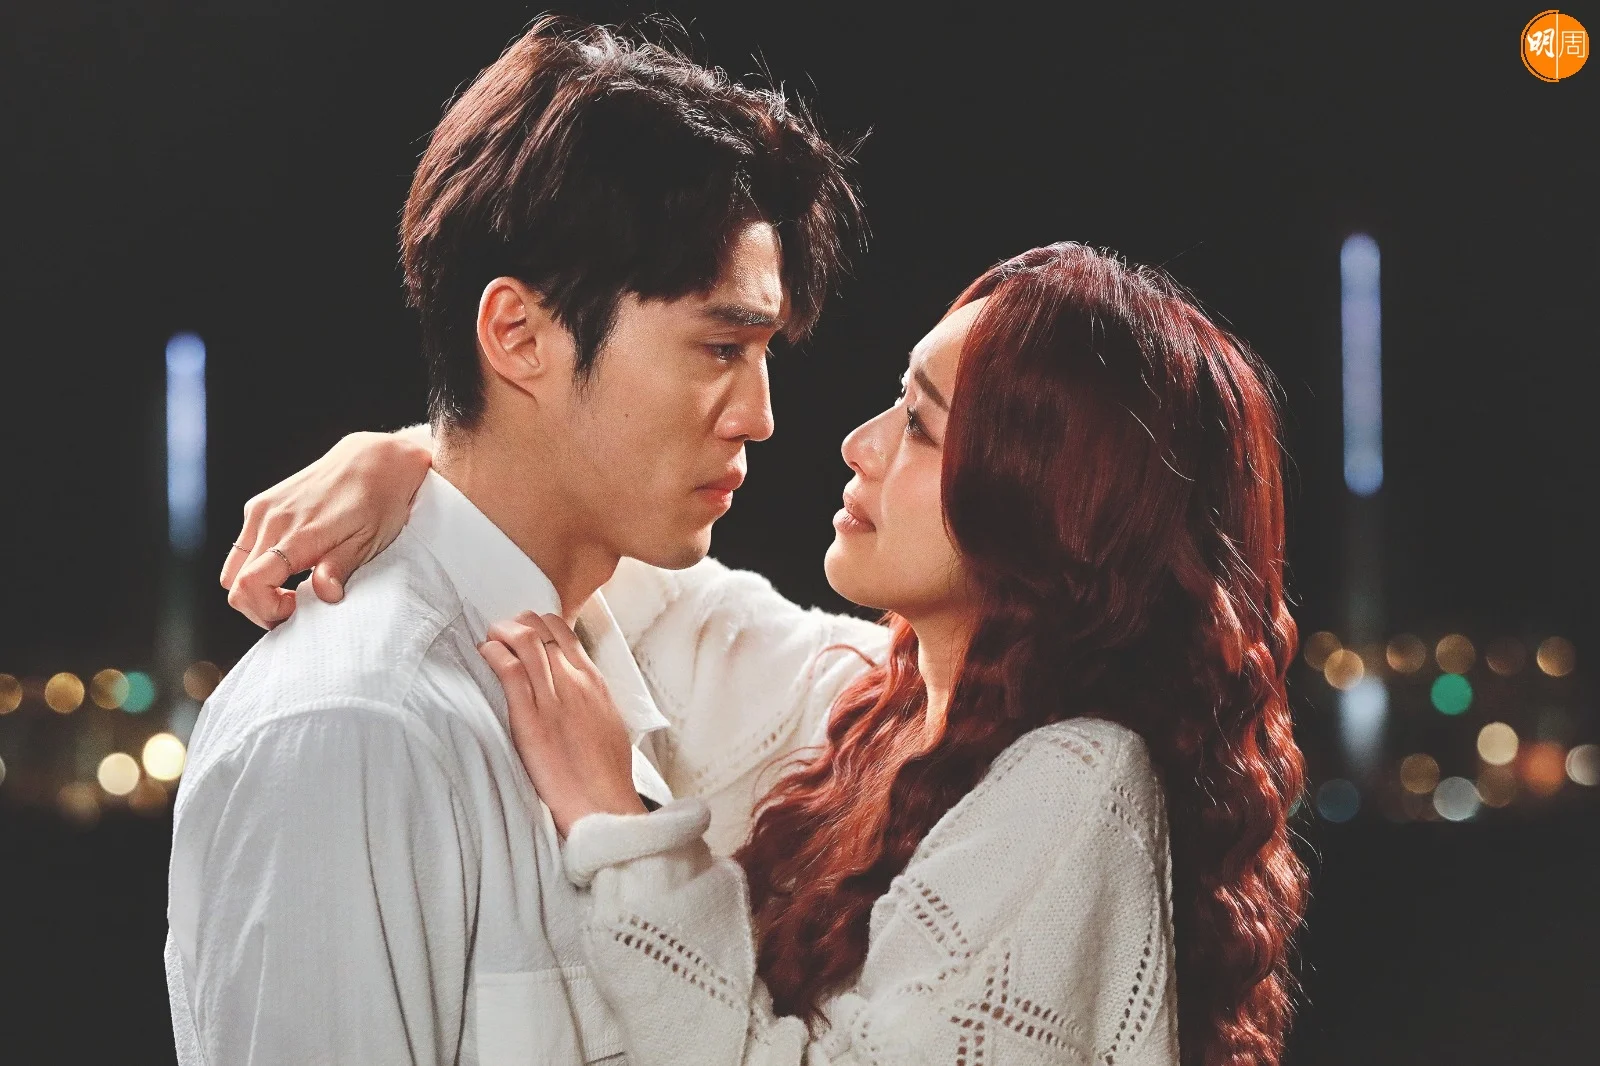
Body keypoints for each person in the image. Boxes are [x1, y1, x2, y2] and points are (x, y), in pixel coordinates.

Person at [228, 243, 1309, 1065]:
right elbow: (602, 553)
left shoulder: (1080, 780)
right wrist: (410, 460)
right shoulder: (869, 713)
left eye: (921, 426)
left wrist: (622, 834)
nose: (859, 443)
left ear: (1048, 506)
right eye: (897, 401)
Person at [166, 18, 863, 1065]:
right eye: (721, 346)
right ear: (518, 336)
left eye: (764, 352)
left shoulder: (623, 644)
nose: (759, 416)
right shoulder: (356, 725)